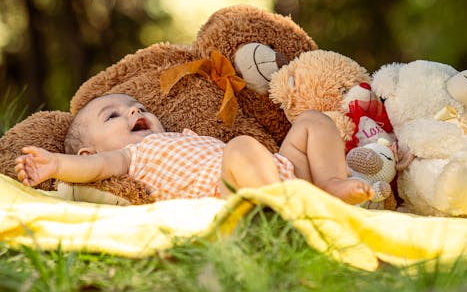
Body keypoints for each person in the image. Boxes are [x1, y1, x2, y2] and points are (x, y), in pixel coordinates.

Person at [15, 93, 374, 204]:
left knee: (312, 120)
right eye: (113, 116)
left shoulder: (180, 135)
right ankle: (278, 210)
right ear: (89, 152)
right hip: (230, 189)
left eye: (136, 105)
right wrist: (55, 165)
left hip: (286, 173)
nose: (134, 111)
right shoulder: (127, 157)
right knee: (241, 147)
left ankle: (329, 185)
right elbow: (91, 171)